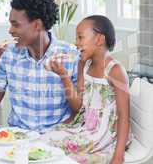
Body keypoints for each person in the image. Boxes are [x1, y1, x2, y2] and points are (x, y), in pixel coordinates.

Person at [0, 0, 80, 132]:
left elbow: (80, 111)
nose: (10, 30)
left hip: (56, 140)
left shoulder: (71, 56)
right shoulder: (8, 55)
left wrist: (56, 136)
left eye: (15, 24)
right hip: (17, 141)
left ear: (37, 25)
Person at [46, 15, 131, 164]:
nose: (76, 43)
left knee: (60, 156)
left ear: (99, 39)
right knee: (44, 139)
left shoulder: (115, 70)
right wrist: (64, 76)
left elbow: (124, 115)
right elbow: (78, 107)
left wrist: (118, 157)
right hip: (84, 128)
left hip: (104, 135)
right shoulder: (83, 64)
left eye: (80, 37)